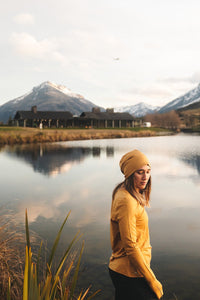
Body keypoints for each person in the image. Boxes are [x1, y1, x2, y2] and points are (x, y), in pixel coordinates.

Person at [109, 149, 163, 300]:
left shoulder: (125, 193)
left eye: (148, 171)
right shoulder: (127, 200)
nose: (145, 177)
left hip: (129, 270)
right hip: (129, 273)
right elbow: (130, 245)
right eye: (140, 172)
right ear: (130, 173)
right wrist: (152, 280)